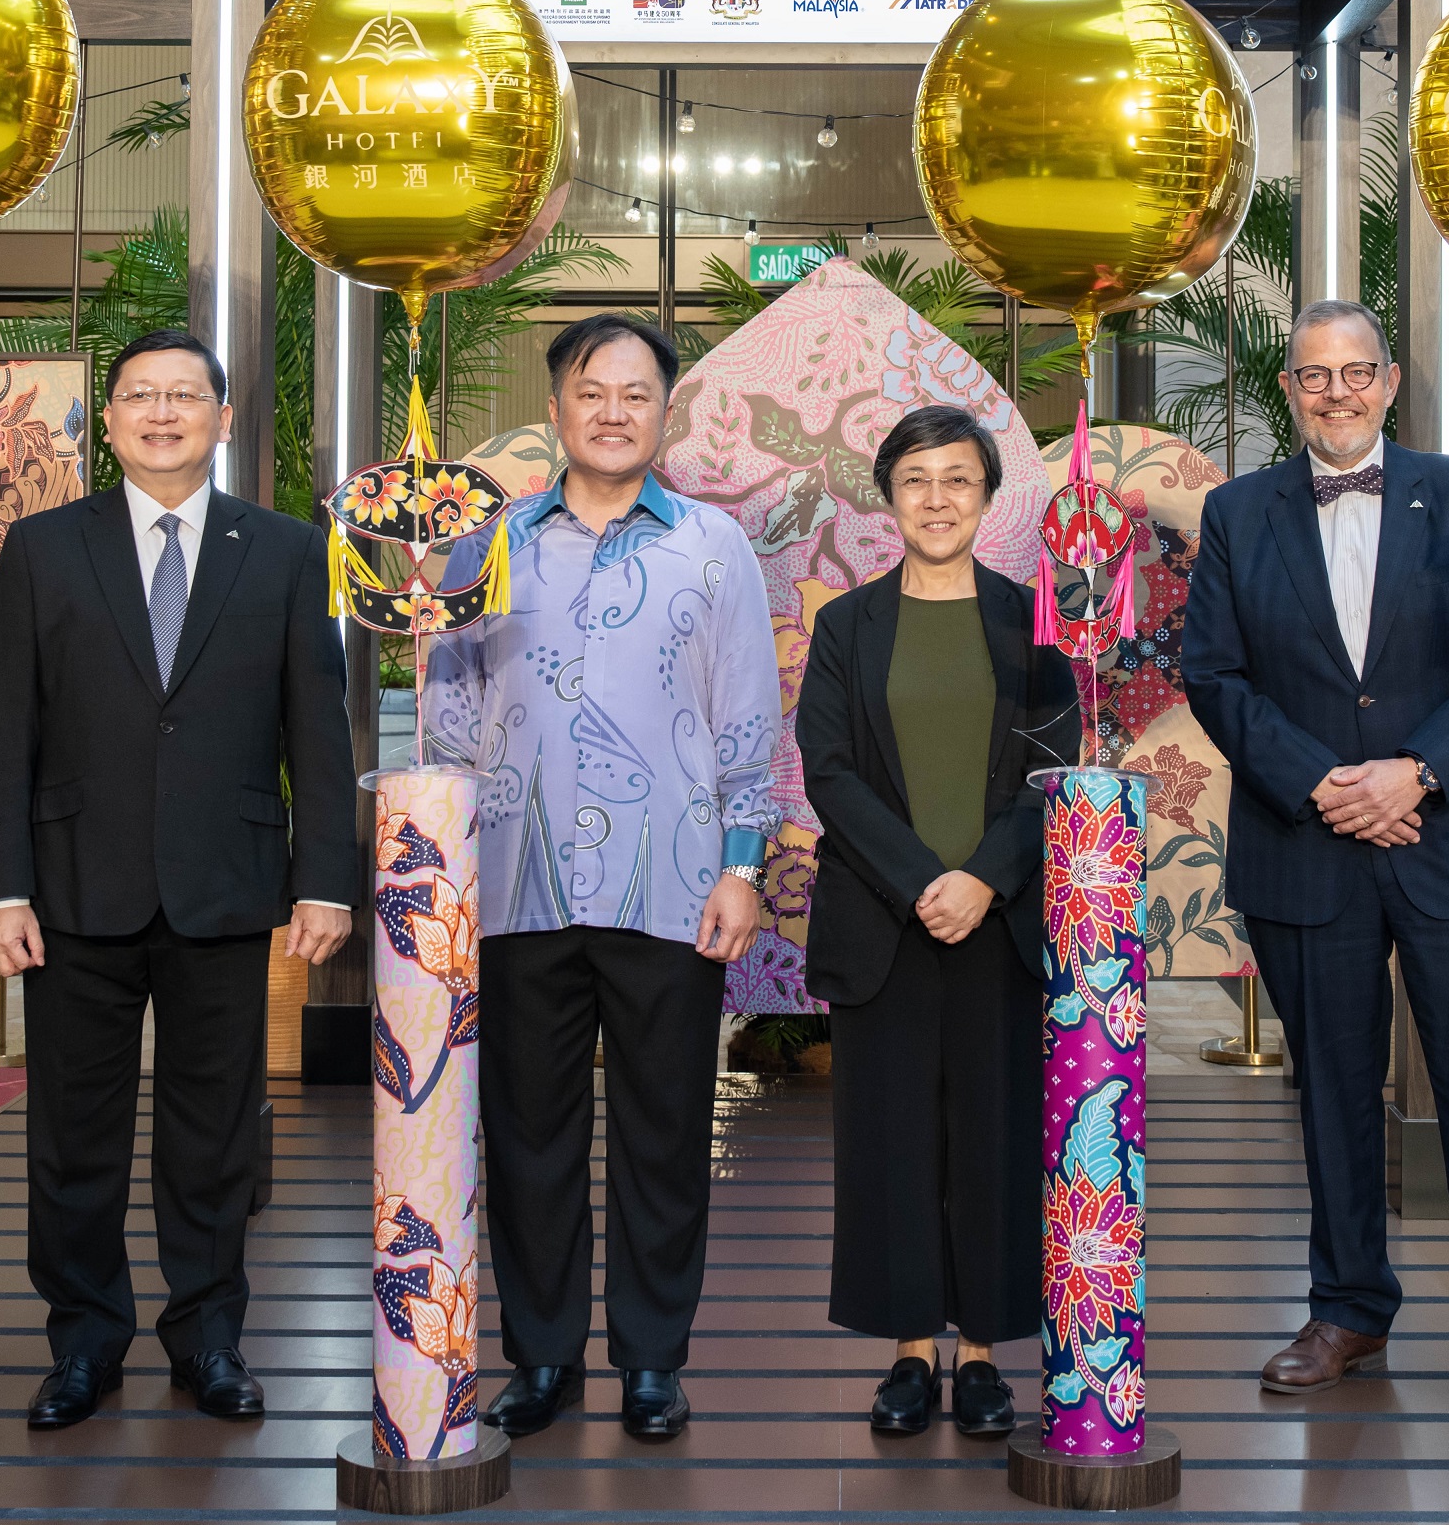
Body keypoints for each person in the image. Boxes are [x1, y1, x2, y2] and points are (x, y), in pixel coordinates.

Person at [0, 329, 358, 1430]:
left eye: (183, 395)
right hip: (71, 887)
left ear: (222, 419)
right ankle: (85, 1341)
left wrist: (321, 877)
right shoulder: (45, 546)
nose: (161, 411)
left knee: (215, 1133)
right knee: (72, 1133)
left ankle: (209, 1336)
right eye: (138, 394)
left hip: (227, 886)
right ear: (106, 420)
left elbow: (314, 730)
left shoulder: (284, 548)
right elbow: (10, 729)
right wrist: (1, 885)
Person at [1178, 300, 1449, 1402]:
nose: (1333, 392)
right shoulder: (1238, 513)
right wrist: (1322, 784)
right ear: (1286, 390)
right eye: (1311, 376)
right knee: (1330, 1091)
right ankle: (1346, 1308)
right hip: (1306, 844)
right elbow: (1212, 673)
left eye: (1354, 373)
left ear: (1389, 381)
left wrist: (1415, 772)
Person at [422, 312, 781, 1444]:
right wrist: (444, 862)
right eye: (592, 389)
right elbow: (446, 711)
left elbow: (745, 720)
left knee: (664, 1126)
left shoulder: (710, 547)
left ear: (663, 411)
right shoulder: (483, 542)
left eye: (636, 391)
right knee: (526, 1132)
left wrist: (740, 865)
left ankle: (652, 1357)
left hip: (668, 884)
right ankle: (537, 1355)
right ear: (557, 407)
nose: (613, 409)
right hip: (517, 880)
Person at [794, 402, 1075, 1439]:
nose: (937, 498)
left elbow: (1054, 770)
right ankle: (911, 1347)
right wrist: (922, 879)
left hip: (998, 919)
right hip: (886, 919)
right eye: (916, 479)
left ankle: (983, 1353)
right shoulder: (845, 624)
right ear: (888, 495)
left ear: (986, 494)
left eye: (957, 478)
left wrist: (983, 878)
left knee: (994, 1138)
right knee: (890, 1141)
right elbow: (827, 770)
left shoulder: (1032, 618)